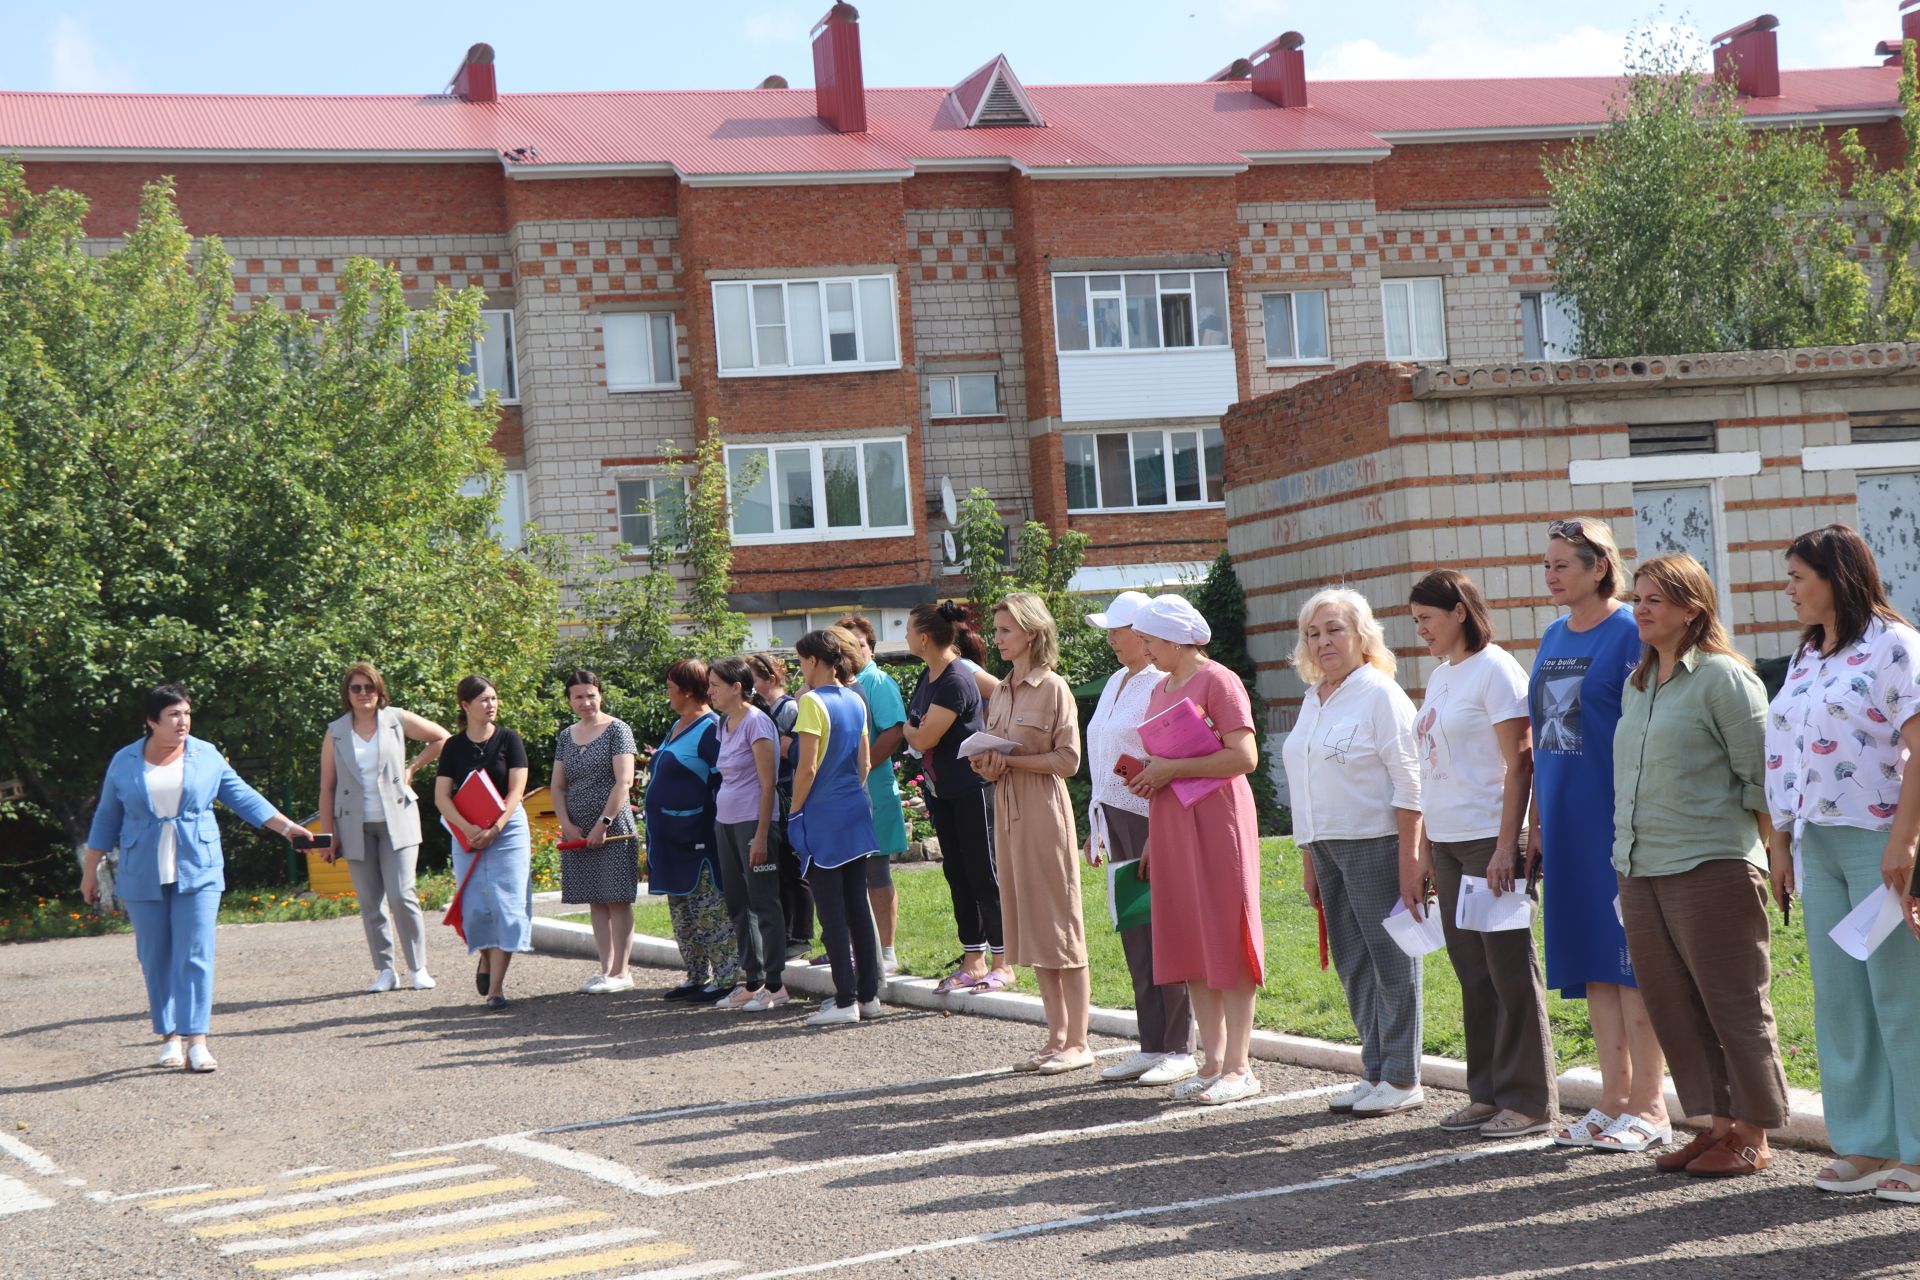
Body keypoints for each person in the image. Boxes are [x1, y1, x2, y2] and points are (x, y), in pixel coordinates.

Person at [1610, 554, 1782, 1174]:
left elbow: (1762, 780)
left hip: (1713, 865)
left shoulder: (1723, 679)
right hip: (1640, 865)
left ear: (1693, 608)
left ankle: (1754, 1134)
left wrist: (1774, 860)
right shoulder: (1638, 684)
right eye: (1638, 597)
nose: (1641, 608)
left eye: (1657, 598)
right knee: (1673, 1003)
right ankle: (1715, 1126)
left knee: (1731, 1002)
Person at [1764, 525, 1920, 1201]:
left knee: (1900, 997)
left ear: (1838, 577)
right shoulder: (1807, 653)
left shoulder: (1895, 646)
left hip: (1879, 840)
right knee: (1840, 999)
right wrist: (1778, 840)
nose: (1789, 588)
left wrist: (1904, 843)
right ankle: (1865, 1143)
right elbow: (1783, 752)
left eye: (1799, 575)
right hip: (1815, 840)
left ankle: (1916, 1148)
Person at [81, 684, 312, 1072]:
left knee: (196, 953)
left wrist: (289, 829)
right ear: (152, 721)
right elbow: (107, 817)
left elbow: (245, 797)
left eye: (186, 713)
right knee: (155, 956)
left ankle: (198, 1040)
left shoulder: (207, 756)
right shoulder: (124, 762)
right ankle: (169, 1038)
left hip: (199, 865)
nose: (182, 721)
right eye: (173, 714)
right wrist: (91, 871)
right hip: (142, 870)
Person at [1529, 517, 1670, 1150]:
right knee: (1593, 967)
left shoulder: (1629, 631)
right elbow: (1544, 736)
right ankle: (1614, 1100)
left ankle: (1651, 1107)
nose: (1551, 575)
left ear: (1598, 569)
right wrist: (1535, 820)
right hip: (1562, 821)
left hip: (1616, 822)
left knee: (1632, 965)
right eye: (1549, 564)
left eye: (1563, 564)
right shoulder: (1554, 634)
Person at [1408, 571, 1556, 1137]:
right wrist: (1423, 851)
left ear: (1460, 613)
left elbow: (1520, 762)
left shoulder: (1496, 670)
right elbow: (1430, 768)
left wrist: (1506, 845)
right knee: (1473, 972)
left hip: (1490, 840)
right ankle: (1487, 1092)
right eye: (1416, 620)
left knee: (1509, 970)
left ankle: (1530, 1101)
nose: (1420, 630)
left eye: (1427, 618)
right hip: (1447, 842)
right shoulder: (1443, 675)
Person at [1281, 588, 1425, 1116]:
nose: (1322, 642)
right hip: (1326, 847)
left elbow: (1410, 780)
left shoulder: (1378, 693)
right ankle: (1376, 1069)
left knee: (1391, 960)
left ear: (1362, 636)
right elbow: (1304, 781)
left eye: (1334, 630)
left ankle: (1404, 1076)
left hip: (1376, 842)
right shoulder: (1313, 697)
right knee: (1353, 962)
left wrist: (1411, 858)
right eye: (1313, 634)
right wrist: (1306, 855)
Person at [1129, 594, 1267, 1104]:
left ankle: (1239, 1066)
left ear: (1174, 639)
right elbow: (1161, 759)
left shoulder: (1218, 680)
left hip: (1218, 819)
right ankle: (1212, 1063)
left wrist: (1172, 770)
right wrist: (1150, 830)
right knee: (1190, 939)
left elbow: (1244, 756)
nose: (1144, 650)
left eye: (1148, 641)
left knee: (1226, 932)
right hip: (1172, 821)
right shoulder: (1161, 687)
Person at [1082, 591, 1198, 1087]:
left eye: (1118, 629)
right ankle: (1151, 1042)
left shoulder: (1163, 683)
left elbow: (1170, 753)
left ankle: (1180, 1044)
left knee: (1165, 927)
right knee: (1135, 927)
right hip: (1114, 814)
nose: (1110, 639)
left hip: (1152, 815)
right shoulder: (1115, 680)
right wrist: (1096, 823)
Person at [976, 592, 1090, 1074]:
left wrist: (1012, 761)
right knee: (1030, 920)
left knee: (1060, 922)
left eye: (1004, 630)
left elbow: (1069, 760)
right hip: (1006, 807)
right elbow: (990, 760)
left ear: (1031, 633)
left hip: (1043, 808)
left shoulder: (1054, 688)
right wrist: (985, 764)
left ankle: (1079, 1040)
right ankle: (1055, 1037)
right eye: (997, 630)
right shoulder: (1000, 691)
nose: (996, 638)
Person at [315, 663, 450, 993]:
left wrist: (412, 768)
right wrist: (327, 836)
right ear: (347, 695)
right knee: (370, 901)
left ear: (379, 690)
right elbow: (327, 787)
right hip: (354, 825)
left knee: (402, 894)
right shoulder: (336, 731)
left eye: (369, 687)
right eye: (356, 688)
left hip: (398, 818)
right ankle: (386, 970)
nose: (363, 694)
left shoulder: (396, 719)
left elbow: (442, 738)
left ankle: (418, 967)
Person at [904, 601, 1012, 994]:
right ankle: (973, 958)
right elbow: (915, 726)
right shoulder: (927, 676)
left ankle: (1004, 961)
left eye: (908, 628)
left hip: (971, 790)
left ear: (924, 637)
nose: (904, 636)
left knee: (984, 874)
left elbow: (922, 735)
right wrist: (913, 730)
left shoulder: (954, 679)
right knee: (957, 874)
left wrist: (912, 731)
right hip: (943, 791)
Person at [788, 628, 884, 1026]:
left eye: (800, 663)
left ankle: (844, 1000)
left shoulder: (811, 701)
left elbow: (807, 766)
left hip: (822, 816)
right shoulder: (856, 698)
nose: (800, 670)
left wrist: (794, 812)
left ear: (813, 662)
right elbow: (864, 763)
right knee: (858, 907)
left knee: (831, 912)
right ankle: (869, 997)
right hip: (855, 812)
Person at [433, 675, 532, 1010]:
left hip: (508, 829)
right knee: (476, 907)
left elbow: (517, 790)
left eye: (494, 698)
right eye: (484, 700)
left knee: (508, 905)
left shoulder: (509, 739)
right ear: (465, 706)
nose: (492, 705)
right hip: (467, 831)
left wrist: (495, 827)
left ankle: (497, 989)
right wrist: (468, 828)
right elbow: (441, 797)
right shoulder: (454, 747)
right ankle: (486, 959)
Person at [646, 659, 740, 1004]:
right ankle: (697, 975)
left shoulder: (710, 728)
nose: (668, 694)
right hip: (671, 841)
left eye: (671, 688)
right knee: (683, 913)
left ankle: (728, 975)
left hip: (696, 838)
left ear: (686, 691)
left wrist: (699, 820)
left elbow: (724, 780)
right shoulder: (678, 725)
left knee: (708, 910)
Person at [551, 669, 640, 994]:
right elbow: (558, 786)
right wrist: (565, 823)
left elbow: (624, 781)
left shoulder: (618, 729)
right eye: (578, 696)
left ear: (600, 694)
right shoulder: (565, 736)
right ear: (569, 700)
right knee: (595, 901)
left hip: (613, 828)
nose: (585, 702)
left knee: (617, 899)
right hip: (576, 830)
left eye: (591, 695)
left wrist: (603, 823)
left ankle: (621, 971)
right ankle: (605, 969)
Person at [708, 658, 788, 1011]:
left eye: (714, 685)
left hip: (754, 822)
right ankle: (753, 982)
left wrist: (759, 835)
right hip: (725, 821)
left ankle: (776, 984)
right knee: (738, 904)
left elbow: (767, 783)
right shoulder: (724, 724)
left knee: (764, 901)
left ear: (736, 687)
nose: (709, 691)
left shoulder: (757, 722)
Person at [839, 614, 910, 975]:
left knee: (876, 870)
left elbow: (893, 733)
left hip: (874, 789)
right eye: (847, 645)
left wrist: (859, 771)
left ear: (870, 646)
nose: (855, 651)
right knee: (849, 872)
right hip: (845, 792)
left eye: (860, 644)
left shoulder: (877, 681)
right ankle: (854, 948)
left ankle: (886, 950)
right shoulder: (839, 684)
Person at [748, 651, 813, 957]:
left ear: (770, 679)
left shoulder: (787, 709)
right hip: (774, 797)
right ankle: (786, 933)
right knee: (780, 871)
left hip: (788, 796)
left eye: (753, 681)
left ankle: (801, 935)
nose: (748, 689)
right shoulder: (765, 709)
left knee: (794, 868)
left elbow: (794, 752)